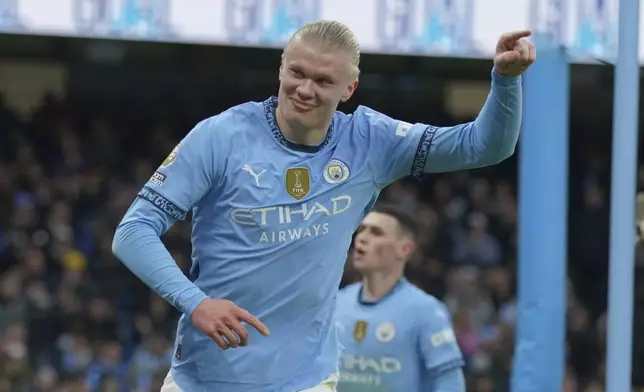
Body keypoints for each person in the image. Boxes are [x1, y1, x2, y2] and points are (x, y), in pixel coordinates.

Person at [111, 19, 535, 392]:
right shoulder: (219, 137)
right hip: (205, 379)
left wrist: (505, 81)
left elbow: (484, 147)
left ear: (349, 88)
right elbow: (133, 231)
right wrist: (196, 303)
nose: (305, 90)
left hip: (308, 380)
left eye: (323, 81)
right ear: (281, 67)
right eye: (296, 73)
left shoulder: (372, 141)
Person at [335, 204, 464, 392]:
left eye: (376, 232)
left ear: (405, 249)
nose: (362, 238)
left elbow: (449, 381)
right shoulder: (336, 303)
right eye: (361, 229)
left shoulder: (425, 310)